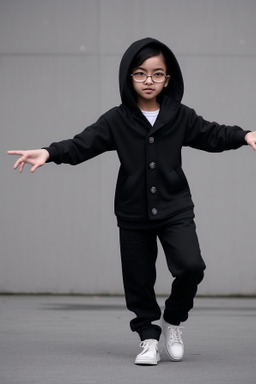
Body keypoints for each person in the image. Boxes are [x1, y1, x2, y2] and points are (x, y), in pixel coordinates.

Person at [8, 37, 256, 366]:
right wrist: (49, 152)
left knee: (192, 266)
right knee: (138, 280)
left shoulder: (180, 116)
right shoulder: (116, 119)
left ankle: (174, 321)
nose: (148, 81)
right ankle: (149, 338)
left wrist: (244, 135)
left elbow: (213, 133)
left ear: (168, 78)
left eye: (156, 74)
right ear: (129, 77)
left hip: (174, 208)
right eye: (140, 74)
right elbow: (82, 144)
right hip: (132, 212)